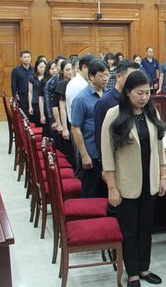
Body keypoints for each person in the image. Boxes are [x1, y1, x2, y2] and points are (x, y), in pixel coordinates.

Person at [101, 70, 166, 287]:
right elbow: (107, 156)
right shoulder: (114, 114)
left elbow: (159, 146)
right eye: (139, 93)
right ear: (128, 92)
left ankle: (145, 268)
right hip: (126, 184)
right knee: (130, 230)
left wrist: (163, 176)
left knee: (146, 228)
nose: (144, 97)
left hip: (150, 182)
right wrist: (112, 188)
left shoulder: (151, 111)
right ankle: (132, 273)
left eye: (147, 92)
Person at [71, 60, 109, 197]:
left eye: (107, 75)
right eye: (101, 75)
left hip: (106, 154)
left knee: (106, 193)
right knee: (91, 192)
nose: (105, 78)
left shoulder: (107, 95)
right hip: (91, 153)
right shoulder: (81, 98)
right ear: (91, 77)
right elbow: (75, 129)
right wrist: (84, 155)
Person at [94, 60, 140, 157]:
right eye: (131, 76)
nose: (135, 80)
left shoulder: (137, 100)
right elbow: (100, 139)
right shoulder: (104, 102)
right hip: (117, 157)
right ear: (118, 76)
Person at [52, 59, 76, 167]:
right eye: (67, 70)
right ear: (62, 71)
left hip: (74, 117)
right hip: (66, 119)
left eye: (71, 69)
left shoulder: (76, 83)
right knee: (70, 149)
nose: (70, 72)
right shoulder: (62, 85)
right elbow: (59, 107)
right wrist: (62, 125)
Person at [66, 54, 96, 125]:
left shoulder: (84, 82)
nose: (93, 73)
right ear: (84, 67)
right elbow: (76, 114)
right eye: (91, 70)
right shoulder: (76, 85)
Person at [11, 50, 33, 114]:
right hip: (22, 96)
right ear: (21, 58)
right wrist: (15, 96)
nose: (27, 59)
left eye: (28, 57)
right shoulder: (16, 70)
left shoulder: (34, 70)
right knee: (23, 115)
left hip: (32, 96)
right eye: (25, 57)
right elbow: (13, 85)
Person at [28, 58, 47, 127]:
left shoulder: (47, 78)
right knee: (38, 123)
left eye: (44, 67)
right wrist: (30, 106)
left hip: (45, 103)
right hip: (35, 103)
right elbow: (30, 92)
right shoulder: (32, 78)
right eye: (40, 67)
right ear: (36, 67)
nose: (42, 69)